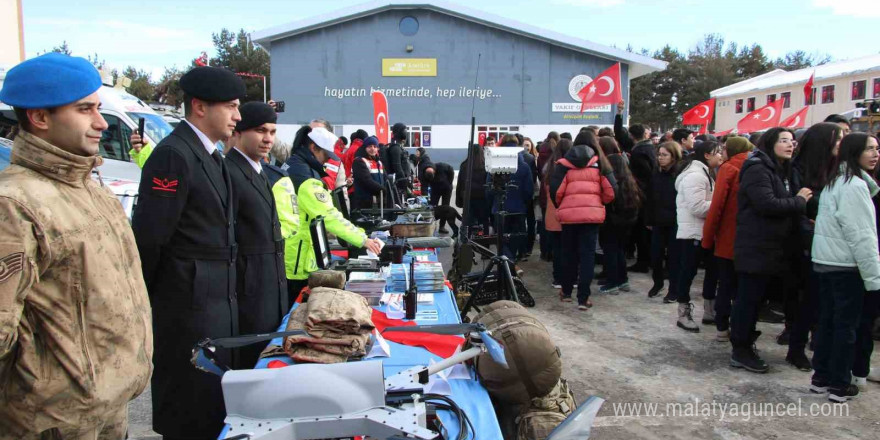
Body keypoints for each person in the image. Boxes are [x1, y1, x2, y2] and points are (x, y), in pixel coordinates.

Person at [0, 53, 152, 440]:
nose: (101, 123)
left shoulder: (89, 188)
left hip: (107, 407)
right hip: (53, 421)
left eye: (99, 108)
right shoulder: (14, 204)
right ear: (39, 117)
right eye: (85, 110)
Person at [131, 66, 245, 438]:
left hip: (212, 303)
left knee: (211, 407)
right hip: (186, 307)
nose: (237, 116)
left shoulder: (209, 155)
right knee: (188, 409)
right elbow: (150, 239)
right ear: (199, 106)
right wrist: (148, 305)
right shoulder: (173, 156)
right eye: (229, 106)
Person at [730, 127, 812, 374]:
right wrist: (798, 202)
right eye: (784, 140)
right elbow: (766, 203)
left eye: (792, 141)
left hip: (775, 247)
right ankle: (741, 349)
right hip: (756, 246)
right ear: (770, 143)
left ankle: (749, 345)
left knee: (763, 300)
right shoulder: (758, 167)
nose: (790, 145)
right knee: (749, 299)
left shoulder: (782, 168)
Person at [810, 132, 880, 402]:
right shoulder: (854, 185)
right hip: (845, 266)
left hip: (828, 262)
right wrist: (874, 278)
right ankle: (839, 384)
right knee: (845, 327)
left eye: (877, 148)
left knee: (828, 322)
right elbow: (861, 235)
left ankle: (822, 377)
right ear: (854, 153)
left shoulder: (836, 180)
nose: (875, 154)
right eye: (869, 149)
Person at [224, 102, 288, 368]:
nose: (268, 139)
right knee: (253, 361)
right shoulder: (229, 171)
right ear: (238, 132)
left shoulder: (258, 170)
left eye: (272, 132)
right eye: (261, 131)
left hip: (268, 284)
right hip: (250, 288)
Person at [285, 125, 383, 296]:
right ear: (313, 148)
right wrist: (363, 239)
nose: (326, 162)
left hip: (292, 252)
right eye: (325, 156)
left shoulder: (293, 164)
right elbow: (329, 215)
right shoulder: (305, 177)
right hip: (296, 259)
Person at [786, 122, 844, 370]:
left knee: (822, 302)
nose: (841, 144)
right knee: (805, 300)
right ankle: (796, 348)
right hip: (804, 244)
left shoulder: (839, 170)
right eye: (838, 139)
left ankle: (817, 345)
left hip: (830, 243)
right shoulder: (797, 170)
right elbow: (799, 208)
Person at [550, 131, 616, 310]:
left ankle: (565, 291)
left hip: (569, 217)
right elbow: (611, 191)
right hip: (591, 218)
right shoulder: (600, 164)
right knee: (587, 257)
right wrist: (597, 203)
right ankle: (583, 298)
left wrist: (564, 206)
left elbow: (555, 191)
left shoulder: (563, 165)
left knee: (568, 254)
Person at [702, 136, 754, 342]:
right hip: (752, 239)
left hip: (728, 237)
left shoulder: (729, 168)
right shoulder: (760, 166)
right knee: (746, 288)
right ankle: (743, 330)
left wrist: (707, 239)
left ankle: (722, 327)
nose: (721, 153)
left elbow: (717, 207)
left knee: (725, 284)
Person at [673, 141, 723, 332]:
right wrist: (720, 203)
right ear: (707, 155)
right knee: (688, 273)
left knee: (712, 272)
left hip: (704, 232)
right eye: (718, 152)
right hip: (694, 232)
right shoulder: (695, 176)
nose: (721, 156)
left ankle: (710, 311)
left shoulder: (704, 172)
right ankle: (683, 313)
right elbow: (697, 207)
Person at [598, 136, 641, 294]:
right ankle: (622, 280)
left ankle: (613, 282)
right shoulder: (623, 164)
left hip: (613, 217)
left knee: (611, 249)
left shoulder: (608, 165)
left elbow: (608, 194)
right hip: (628, 215)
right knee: (619, 249)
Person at [488, 135, 533, 264]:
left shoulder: (495, 165)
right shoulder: (524, 167)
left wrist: (492, 204)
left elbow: (489, 190)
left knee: (501, 238)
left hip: (499, 208)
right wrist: (523, 204)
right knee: (515, 238)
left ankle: (507, 262)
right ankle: (512, 262)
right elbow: (528, 191)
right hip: (518, 209)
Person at [647, 142, 683, 299]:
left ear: (673, 156)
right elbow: (649, 198)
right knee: (655, 256)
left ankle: (673, 289)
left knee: (674, 258)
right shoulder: (656, 173)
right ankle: (658, 283)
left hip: (676, 222)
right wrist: (648, 219)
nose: (660, 158)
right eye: (659, 155)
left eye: (664, 155)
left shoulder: (680, 175)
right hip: (658, 221)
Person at [627, 120, 655, 274]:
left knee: (641, 230)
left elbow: (644, 174)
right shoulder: (650, 148)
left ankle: (643, 261)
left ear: (631, 136)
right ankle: (647, 259)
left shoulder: (638, 152)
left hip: (642, 195)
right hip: (649, 194)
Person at [544, 139, 572, 289]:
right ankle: (571, 277)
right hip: (570, 212)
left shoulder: (550, 168)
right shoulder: (573, 168)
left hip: (553, 211)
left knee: (557, 248)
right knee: (570, 248)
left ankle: (558, 278)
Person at [350, 136, 387, 211]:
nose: (372, 149)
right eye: (369, 146)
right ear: (365, 148)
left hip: (378, 201)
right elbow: (366, 180)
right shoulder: (359, 161)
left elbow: (385, 178)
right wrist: (383, 190)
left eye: (375, 146)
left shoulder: (379, 162)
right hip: (365, 203)